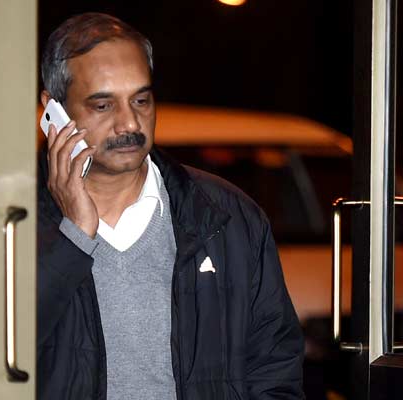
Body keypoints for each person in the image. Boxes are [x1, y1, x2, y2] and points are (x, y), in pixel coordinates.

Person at [37, 13, 304, 399]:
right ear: (53, 110)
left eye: (141, 100)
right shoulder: (11, 221)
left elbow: (275, 371)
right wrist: (73, 238)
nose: (130, 124)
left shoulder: (227, 216)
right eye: (103, 105)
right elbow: (2, 350)